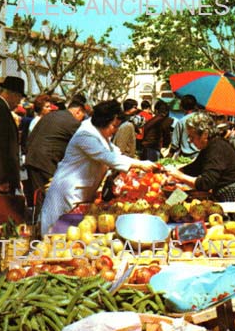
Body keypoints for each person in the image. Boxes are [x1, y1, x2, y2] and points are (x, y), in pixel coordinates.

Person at [39, 100, 156, 234]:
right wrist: (140, 164)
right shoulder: (85, 134)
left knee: (76, 237)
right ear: (103, 121)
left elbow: (115, 152)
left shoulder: (100, 133)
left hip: (81, 194)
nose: (116, 130)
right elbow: (107, 156)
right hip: (67, 193)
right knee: (59, 238)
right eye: (114, 126)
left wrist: (136, 163)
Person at [165, 112, 235, 248]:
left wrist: (178, 176)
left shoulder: (216, 148)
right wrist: (173, 173)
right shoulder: (210, 148)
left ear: (205, 134)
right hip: (230, 200)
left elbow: (206, 183)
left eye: (192, 136)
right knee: (233, 240)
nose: (189, 141)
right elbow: (194, 168)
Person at [25, 95, 88, 195]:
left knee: (40, 196)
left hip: (32, 159)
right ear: (78, 111)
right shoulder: (72, 122)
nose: (81, 120)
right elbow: (86, 145)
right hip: (46, 162)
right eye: (82, 116)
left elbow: (31, 138)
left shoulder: (52, 115)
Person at [169, 94, 199, 159]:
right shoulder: (202, 119)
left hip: (185, 157)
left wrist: (169, 156)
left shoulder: (181, 122)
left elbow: (175, 144)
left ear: (182, 107)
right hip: (200, 156)